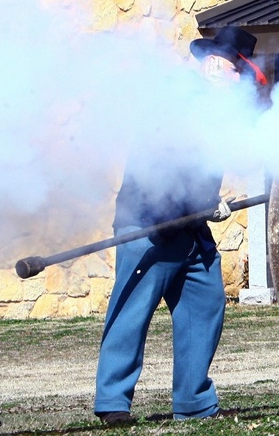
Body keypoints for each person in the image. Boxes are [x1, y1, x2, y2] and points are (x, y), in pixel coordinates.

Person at [94, 26, 265, 426]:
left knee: (205, 303)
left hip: (190, 227)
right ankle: (112, 401)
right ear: (214, 66)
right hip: (149, 223)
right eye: (232, 68)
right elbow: (163, 168)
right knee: (132, 309)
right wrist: (206, 204)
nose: (235, 78)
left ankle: (194, 401)